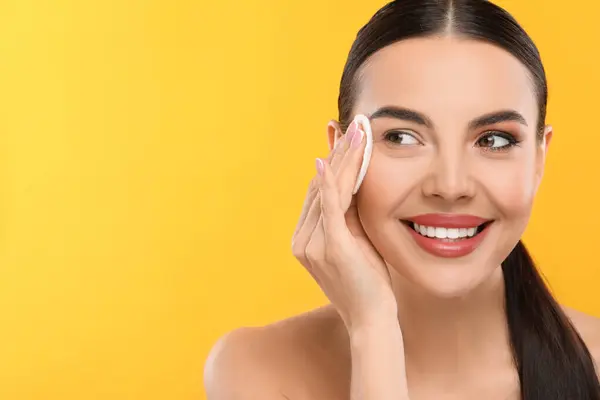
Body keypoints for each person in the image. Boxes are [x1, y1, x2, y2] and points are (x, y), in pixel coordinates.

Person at [203, 1, 600, 399]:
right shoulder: (258, 371)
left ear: (538, 159)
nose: (450, 184)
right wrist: (373, 332)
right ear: (343, 153)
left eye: (494, 140)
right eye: (401, 137)